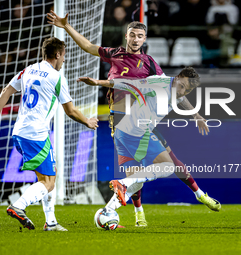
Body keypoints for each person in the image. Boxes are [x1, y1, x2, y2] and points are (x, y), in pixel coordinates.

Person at [47, 12, 216, 227]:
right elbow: (89, 47)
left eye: (140, 36)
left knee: (158, 166)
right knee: (144, 171)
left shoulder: (150, 64)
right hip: (120, 117)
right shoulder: (114, 54)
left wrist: (196, 114)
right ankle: (137, 210)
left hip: (140, 119)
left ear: (144, 40)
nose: (136, 39)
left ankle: (183, 199)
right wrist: (67, 27)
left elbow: (174, 92)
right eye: (132, 35)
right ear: (126, 36)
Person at [0, 37, 99, 231]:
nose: (64, 60)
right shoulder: (56, 77)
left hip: (19, 132)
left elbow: (6, 91)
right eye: (64, 56)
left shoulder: (27, 70)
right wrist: (87, 121)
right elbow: (70, 111)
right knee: (49, 182)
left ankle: (51, 222)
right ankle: (19, 206)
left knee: (45, 178)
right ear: (57, 54)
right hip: (35, 134)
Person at [77, 67, 221, 212]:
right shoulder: (157, 84)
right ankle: (123, 183)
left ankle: (107, 212)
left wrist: (195, 115)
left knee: (137, 182)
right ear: (176, 78)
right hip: (136, 131)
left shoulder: (177, 90)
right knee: (168, 166)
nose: (182, 92)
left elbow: (182, 98)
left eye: (187, 90)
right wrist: (98, 82)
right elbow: (128, 84)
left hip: (124, 132)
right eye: (182, 86)